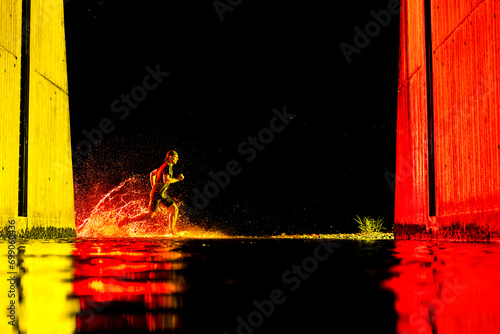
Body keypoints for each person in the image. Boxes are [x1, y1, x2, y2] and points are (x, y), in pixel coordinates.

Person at [118, 150, 184, 233]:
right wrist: (178, 179)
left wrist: (153, 186)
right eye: (176, 157)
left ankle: (171, 231)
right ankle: (127, 220)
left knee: (173, 209)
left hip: (161, 193)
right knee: (150, 215)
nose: (177, 159)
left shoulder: (163, 166)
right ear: (170, 156)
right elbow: (166, 180)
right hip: (158, 193)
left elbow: (152, 173)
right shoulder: (167, 166)